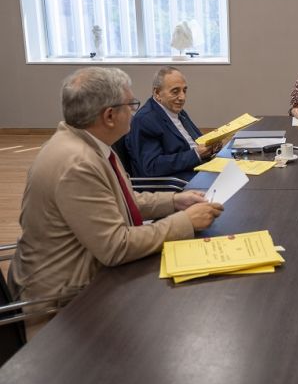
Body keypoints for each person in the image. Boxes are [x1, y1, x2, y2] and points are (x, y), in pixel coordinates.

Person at [8, 67, 223, 337]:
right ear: (109, 115)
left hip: (89, 276)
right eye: (131, 105)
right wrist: (185, 222)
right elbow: (116, 246)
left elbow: (124, 200)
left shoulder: (88, 144)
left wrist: (175, 201)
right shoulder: (78, 164)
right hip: (65, 303)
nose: (135, 112)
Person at [125, 66, 220, 180]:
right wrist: (196, 154)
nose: (182, 97)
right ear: (157, 93)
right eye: (175, 92)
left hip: (200, 168)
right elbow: (152, 166)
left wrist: (211, 146)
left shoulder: (176, 110)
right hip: (179, 182)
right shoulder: (145, 120)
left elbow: (196, 141)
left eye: (184, 90)